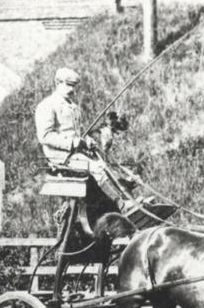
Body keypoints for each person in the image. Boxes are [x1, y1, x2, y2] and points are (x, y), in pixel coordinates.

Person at [35, 67, 135, 211]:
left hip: (77, 152)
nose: (71, 90)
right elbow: (45, 136)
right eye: (68, 85)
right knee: (97, 168)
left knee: (106, 164)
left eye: (74, 86)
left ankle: (129, 198)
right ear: (57, 82)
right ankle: (121, 204)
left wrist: (87, 140)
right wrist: (73, 142)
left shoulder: (74, 107)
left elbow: (79, 132)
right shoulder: (46, 106)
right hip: (60, 156)